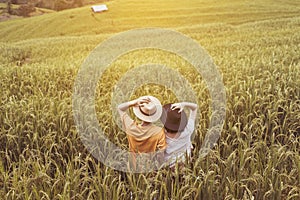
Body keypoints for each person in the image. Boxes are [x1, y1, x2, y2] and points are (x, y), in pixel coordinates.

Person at [117, 96, 167, 169]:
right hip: (149, 168)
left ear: (140, 113)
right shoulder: (159, 131)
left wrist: (135, 102)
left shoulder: (130, 127)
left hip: (132, 168)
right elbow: (161, 154)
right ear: (154, 114)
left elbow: (120, 108)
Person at [160, 102, 198, 169]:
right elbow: (195, 108)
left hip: (169, 166)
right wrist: (183, 104)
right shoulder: (188, 128)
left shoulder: (162, 136)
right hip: (186, 161)